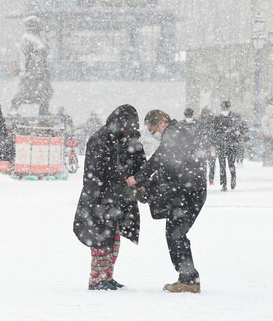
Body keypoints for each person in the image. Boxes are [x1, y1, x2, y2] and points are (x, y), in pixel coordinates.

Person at [126, 110, 206, 293]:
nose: (154, 133)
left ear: (161, 123)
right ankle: (188, 278)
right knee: (175, 233)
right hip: (188, 190)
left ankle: (189, 280)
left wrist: (137, 178)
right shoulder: (178, 134)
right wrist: (149, 183)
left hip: (190, 192)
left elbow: (159, 160)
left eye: (153, 129)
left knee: (175, 233)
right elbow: (168, 167)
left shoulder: (173, 135)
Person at [73, 104, 145, 290]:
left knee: (113, 236)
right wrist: (100, 195)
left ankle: (108, 275)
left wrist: (137, 181)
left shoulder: (127, 139)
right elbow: (94, 173)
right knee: (100, 237)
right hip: (102, 197)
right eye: (127, 127)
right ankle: (97, 278)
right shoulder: (100, 139)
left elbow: (138, 162)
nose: (130, 131)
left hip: (119, 196)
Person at [213, 100, 242, 191]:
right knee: (223, 165)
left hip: (230, 145)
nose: (225, 110)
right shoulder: (218, 118)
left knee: (230, 164)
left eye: (226, 108)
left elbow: (238, 130)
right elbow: (215, 131)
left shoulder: (234, 117)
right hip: (222, 145)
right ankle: (224, 183)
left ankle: (232, 180)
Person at [196, 107, 216, 186]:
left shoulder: (212, 122)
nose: (205, 115)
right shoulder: (199, 122)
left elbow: (215, 134)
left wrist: (213, 144)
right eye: (204, 113)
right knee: (202, 164)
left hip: (210, 146)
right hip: (202, 145)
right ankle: (204, 179)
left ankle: (211, 179)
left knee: (212, 164)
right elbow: (197, 135)